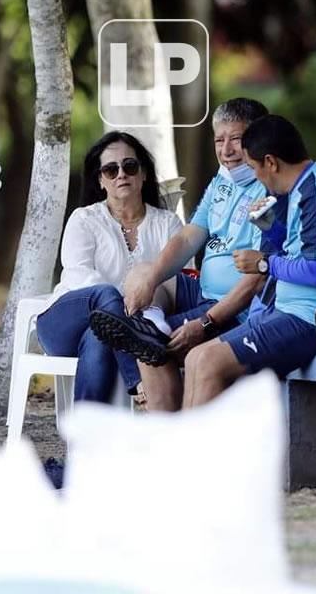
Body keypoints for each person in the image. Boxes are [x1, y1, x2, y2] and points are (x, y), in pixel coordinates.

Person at [88, 98, 270, 412]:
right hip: (203, 292)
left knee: (149, 345)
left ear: (258, 139)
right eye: (219, 140)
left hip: (235, 308)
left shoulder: (268, 188)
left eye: (236, 140)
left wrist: (205, 322)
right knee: (142, 275)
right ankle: (151, 322)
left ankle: (165, 435)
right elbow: (188, 236)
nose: (226, 150)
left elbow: (255, 281)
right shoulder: (223, 181)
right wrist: (152, 279)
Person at [182, 115, 316, 407]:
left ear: (271, 162)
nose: (255, 176)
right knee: (195, 357)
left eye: (254, 167)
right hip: (285, 312)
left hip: (313, 321)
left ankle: (198, 454)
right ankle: (184, 454)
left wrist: (264, 264)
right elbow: (299, 247)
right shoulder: (299, 188)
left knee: (208, 362)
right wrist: (271, 226)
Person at [34, 131, 184, 405]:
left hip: (117, 328)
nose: (121, 175)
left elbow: (177, 281)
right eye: (110, 170)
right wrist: (126, 302)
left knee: (100, 335)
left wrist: (129, 312)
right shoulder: (84, 219)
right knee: (104, 295)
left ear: (144, 174)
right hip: (64, 323)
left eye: (130, 166)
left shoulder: (169, 224)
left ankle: (83, 440)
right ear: (101, 181)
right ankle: (136, 379)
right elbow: (79, 275)